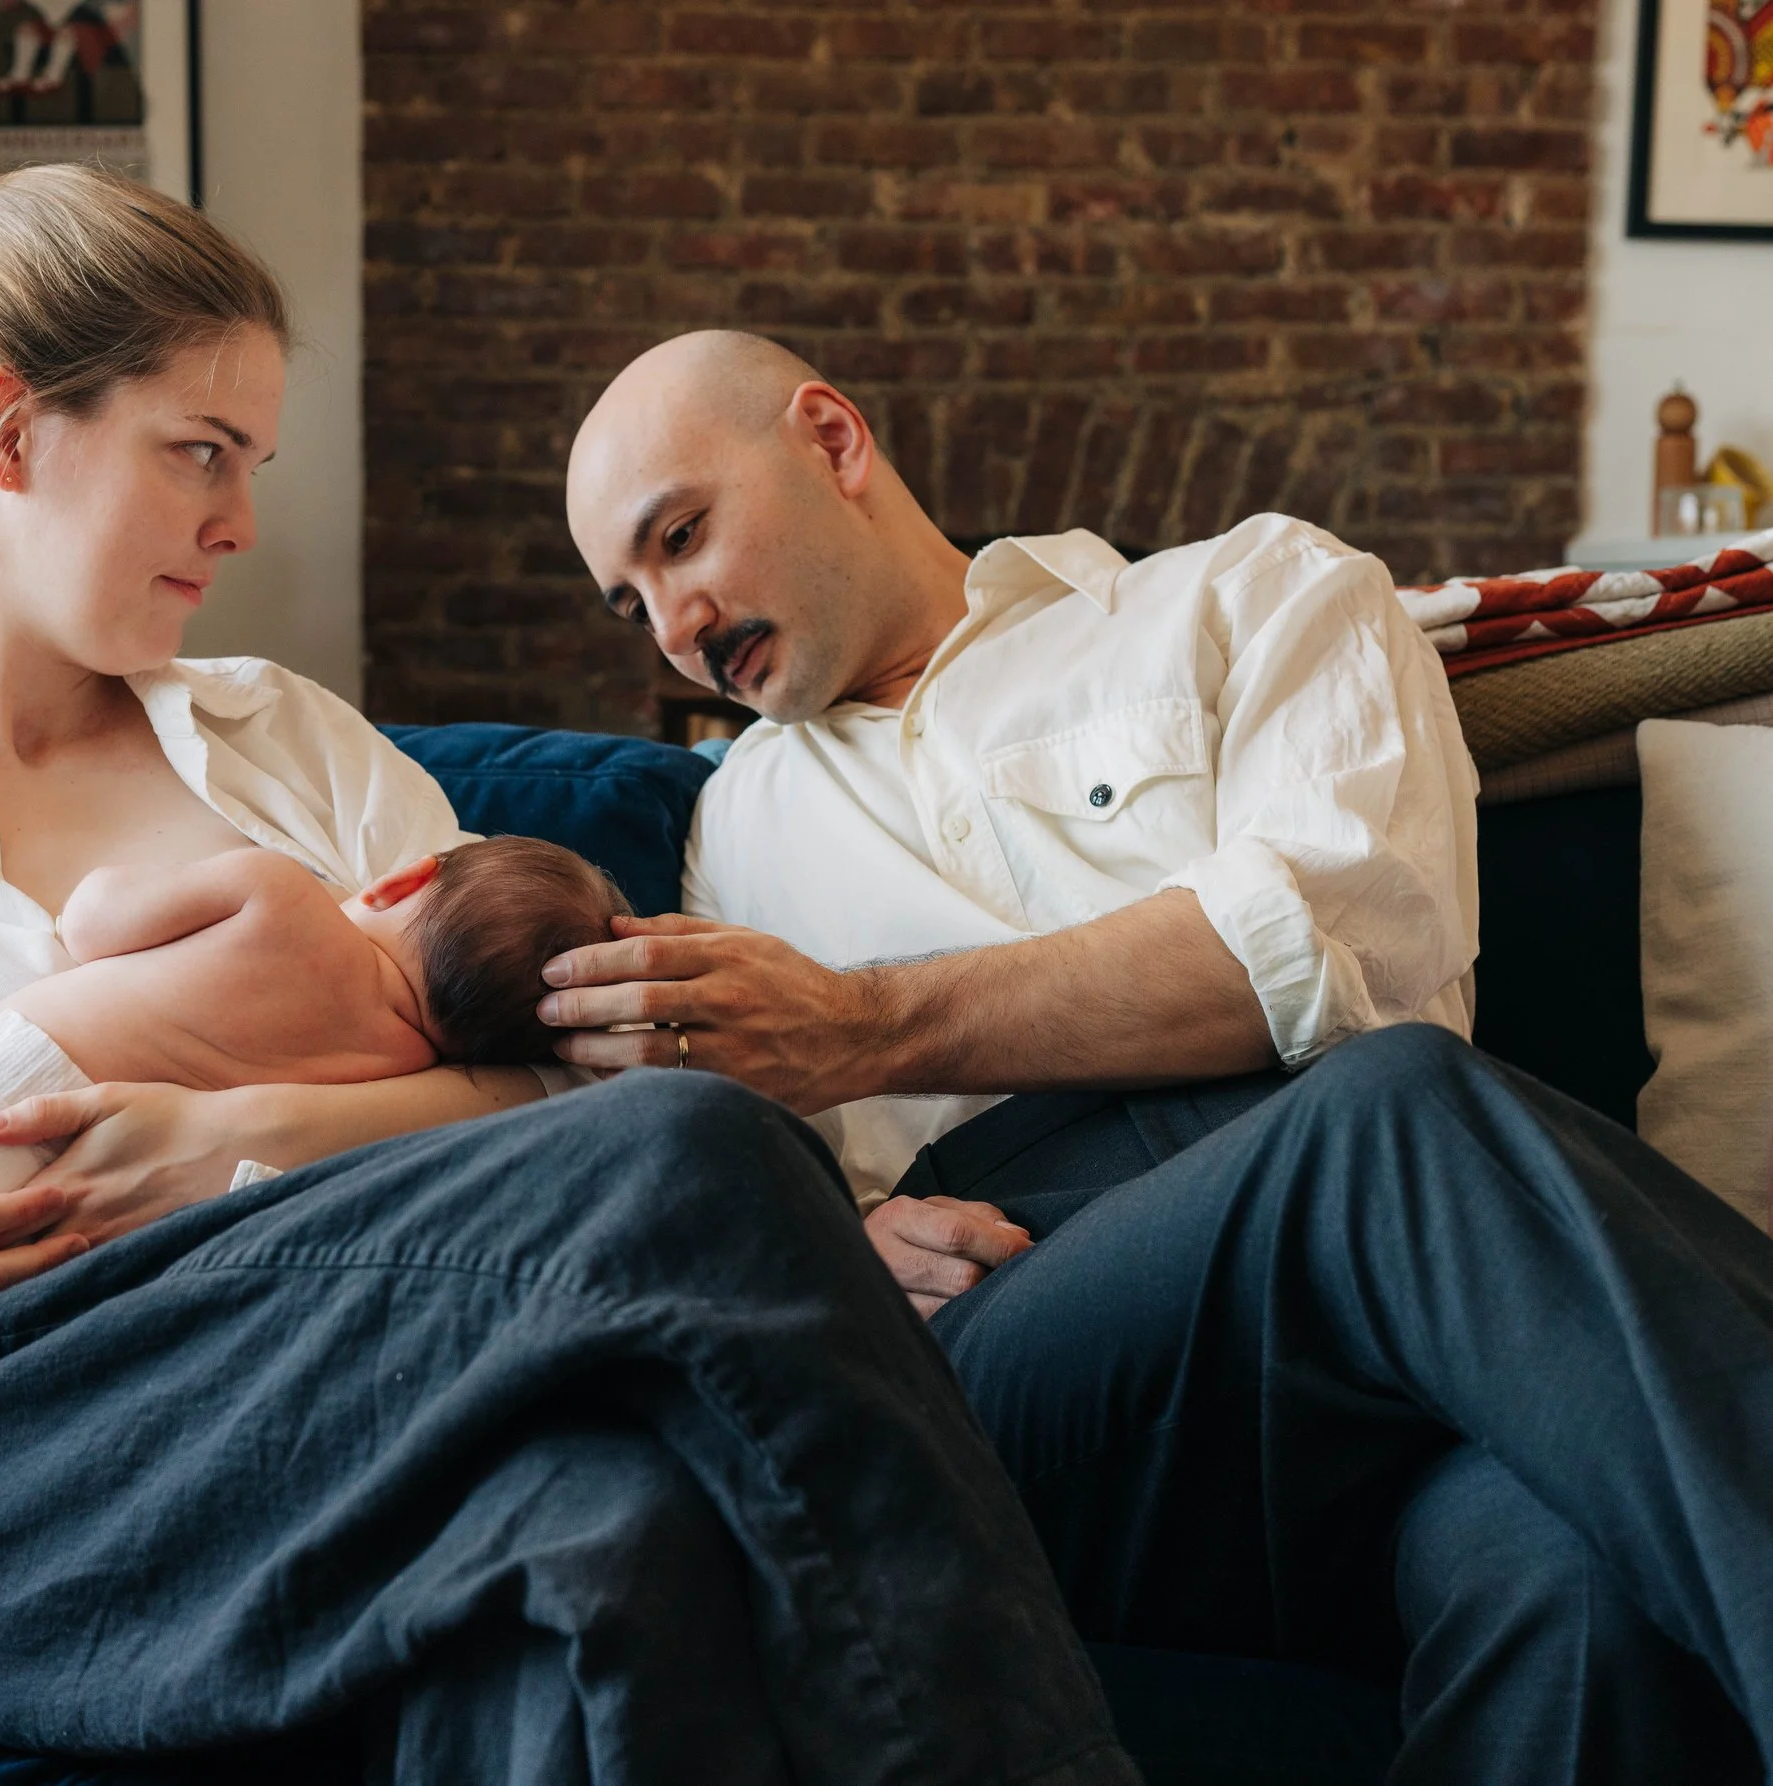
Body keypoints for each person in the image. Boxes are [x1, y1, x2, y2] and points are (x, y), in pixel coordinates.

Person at [0, 120, 1138, 1784]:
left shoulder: (290, 750)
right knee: (695, 1152)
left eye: (250, 466)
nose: (242, 521)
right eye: (200, 453)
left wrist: (235, 1135)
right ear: (8, 436)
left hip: (346, 1365)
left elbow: (552, 1069)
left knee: (615, 1531)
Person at [545, 329, 1773, 1781]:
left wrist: (864, 1023)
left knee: (1573, 1580)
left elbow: (1340, 938)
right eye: (632, 602)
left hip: (1393, 1310)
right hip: (1029, 1341)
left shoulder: (1255, 591)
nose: (675, 624)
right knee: (1390, 1115)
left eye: (681, 537)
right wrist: (844, 1237)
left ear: (831, 438)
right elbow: (719, 1185)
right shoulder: (728, 829)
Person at [0, 836, 632, 1226]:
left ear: (402, 879)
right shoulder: (397, 1075)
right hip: (49, 1209)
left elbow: (91, 920)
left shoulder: (280, 895)